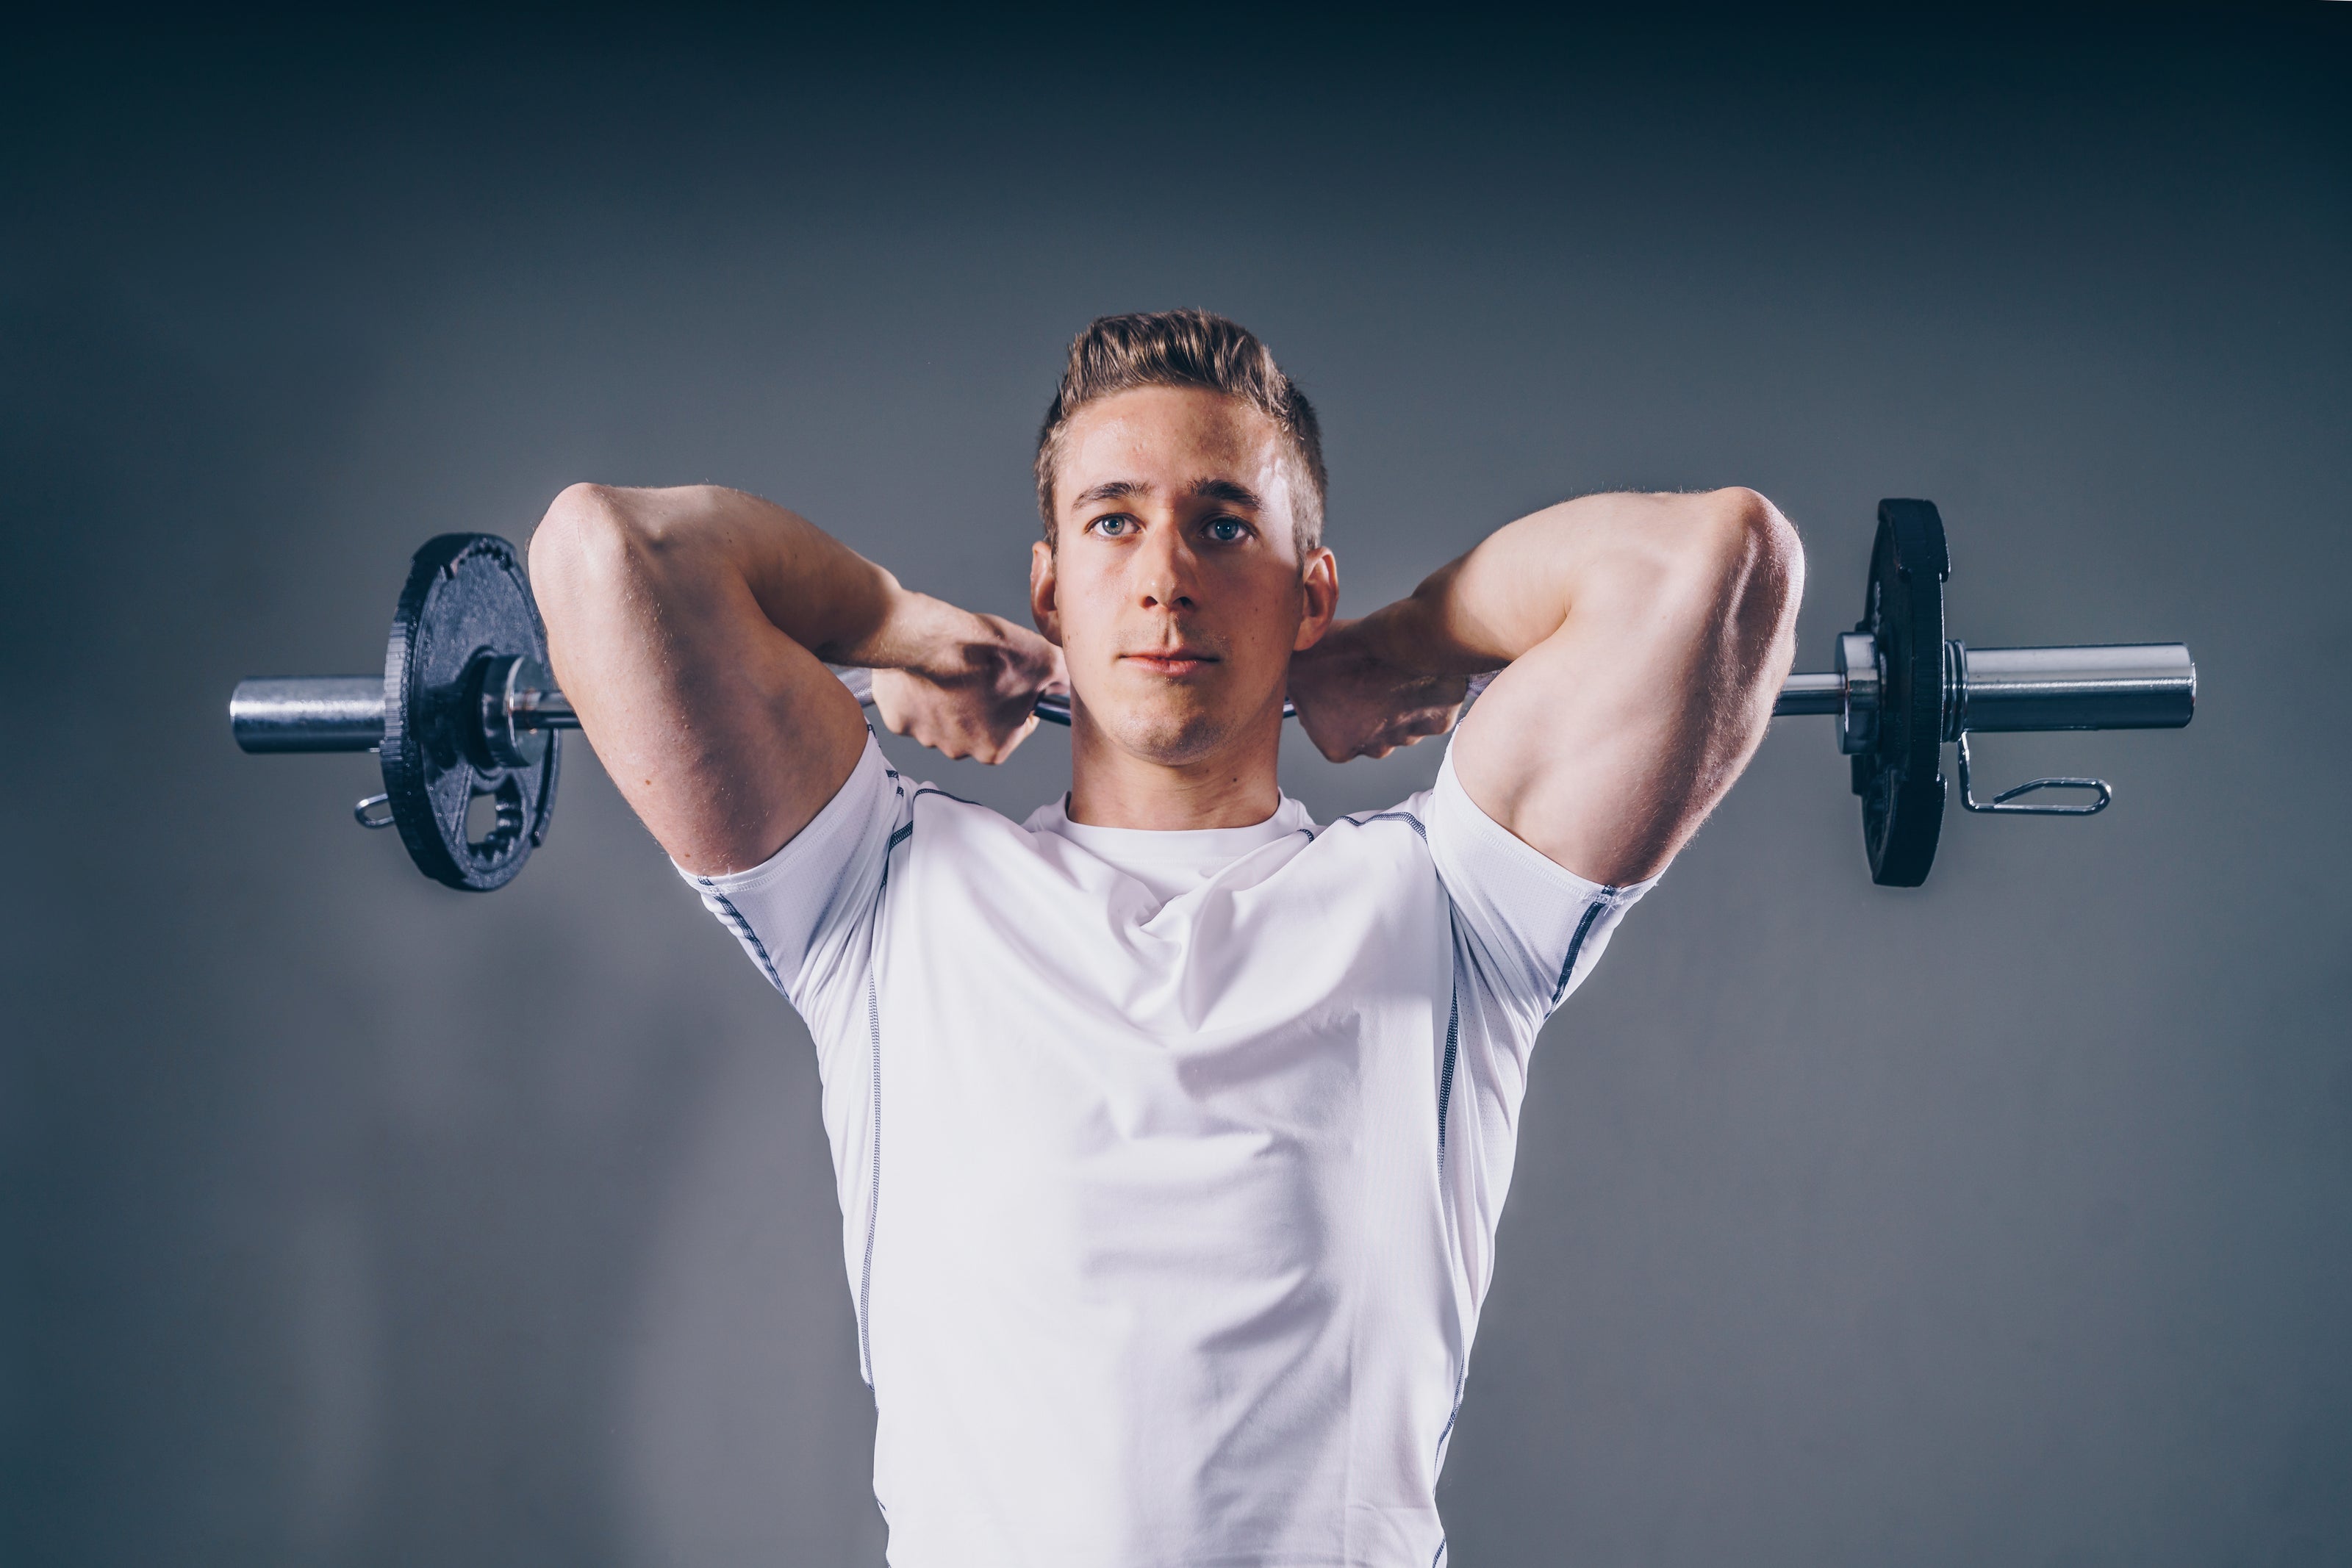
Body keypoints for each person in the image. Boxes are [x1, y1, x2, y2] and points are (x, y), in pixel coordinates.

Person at [528, 310, 1801, 1566]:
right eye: (1113, 520)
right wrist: (889, 623)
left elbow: (1718, 563)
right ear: (1050, 590)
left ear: (1310, 592)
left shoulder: (1448, 903)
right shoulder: (886, 892)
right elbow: (608, 556)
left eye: (1224, 524)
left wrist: (1412, 640)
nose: (1165, 576)